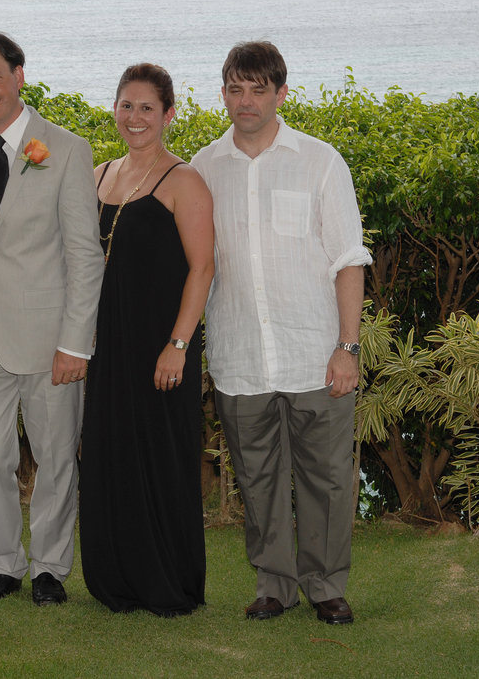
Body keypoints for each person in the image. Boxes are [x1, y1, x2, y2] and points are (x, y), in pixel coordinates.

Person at [190, 42, 372, 625]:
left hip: (314, 353)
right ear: (223, 93)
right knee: (257, 479)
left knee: (327, 480)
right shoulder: (203, 168)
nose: (246, 101)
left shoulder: (320, 161)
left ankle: (325, 585)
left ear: (281, 94)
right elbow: (195, 263)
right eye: (235, 89)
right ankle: (274, 585)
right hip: (240, 355)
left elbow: (348, 259)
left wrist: (347, 347)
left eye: (258, 89)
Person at [0, 33, 105, 606]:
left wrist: (76, 343)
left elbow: (85, 255)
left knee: (55, 456)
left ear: (19, 75)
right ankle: (3, 563)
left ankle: (50, 566)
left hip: (48, 334)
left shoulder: (67, 148)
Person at [79, 64, 214, 616]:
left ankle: (168, 582)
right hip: (107, 344)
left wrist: (178, 345)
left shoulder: (184, 181)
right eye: (126, 106)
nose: (135, 118)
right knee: (111, 455)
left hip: (162, 344)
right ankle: (117, 579)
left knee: (161, 458)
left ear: (168, 114)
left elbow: (203, 269)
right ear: (114, 108)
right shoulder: (98, 174)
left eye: (147, 108)